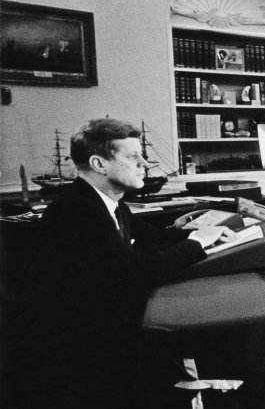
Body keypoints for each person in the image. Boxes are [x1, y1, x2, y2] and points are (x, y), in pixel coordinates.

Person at [2, 119, 225, 408]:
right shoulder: (76, 210)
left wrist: (197, 231)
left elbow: (151, 238)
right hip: (83, 351)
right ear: (99, 163)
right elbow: (132, 272)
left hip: (106, 333)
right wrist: (197, 243)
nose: (144, 163)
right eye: (133, 156)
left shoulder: (107, 202)